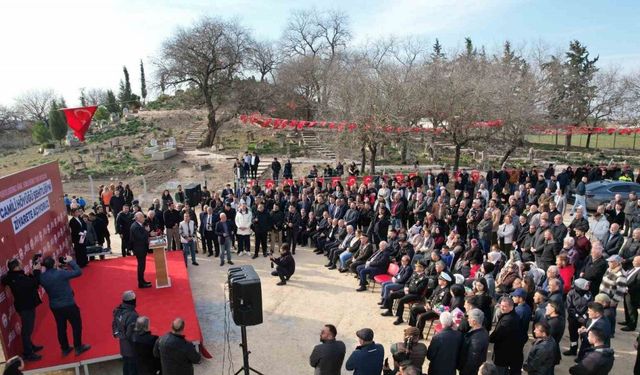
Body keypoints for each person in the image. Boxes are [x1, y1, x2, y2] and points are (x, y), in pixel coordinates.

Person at [38, 256, 91, 356]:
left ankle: (65, 348)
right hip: (69, 304)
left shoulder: (42, 277)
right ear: (54, 264)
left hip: (55, 306)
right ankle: (78, 347)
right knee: (76, 325)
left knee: (61, 327)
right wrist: (71, 261)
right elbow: (78, 272)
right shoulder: (61, 273)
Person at [1, 258, 43, 361]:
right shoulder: (18, 278)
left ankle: (30, 346)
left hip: (24, 305)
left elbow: (6, 279)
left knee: (28, 327)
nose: (22, 264)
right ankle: (28, 353)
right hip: (26, 307)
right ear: (16, 267)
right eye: (20, 264)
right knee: (27, 329)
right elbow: (35, 284)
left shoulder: (13, 276)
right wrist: (36, 271)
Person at [489, 297, 523, 375]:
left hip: (503, 354)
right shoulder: (512, 316)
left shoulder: (507, 320)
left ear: (511, 307)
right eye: (501, 305)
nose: (502, 308)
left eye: (505, 306)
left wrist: (490, 337)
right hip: (508, 352)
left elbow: (497, 335)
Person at [112, 291, 139, 375]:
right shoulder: (133, 315)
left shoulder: (117, 311)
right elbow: (131, 334)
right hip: (132, 348)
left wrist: (120, 335)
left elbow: (114, 327)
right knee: (133, 370)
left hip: (123, 347)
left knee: (126, 367)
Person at [458, 309, 489, 375]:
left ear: (474, 321)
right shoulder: (481, 330)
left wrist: (464, 372)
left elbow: (472, 361)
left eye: (469, 318)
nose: (468, 320)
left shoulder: (477, 339)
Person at [130, 212, 152, 288]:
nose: (144, 218)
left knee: (142, 266)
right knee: (141, 266)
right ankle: (141, 283)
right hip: (139, 249)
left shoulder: (139, 224)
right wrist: (147, 231)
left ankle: (142, 281)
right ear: (137, 218)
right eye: (142, 217)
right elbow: (141, 237)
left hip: (142, 248)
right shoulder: (135, 226)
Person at [621, 255, 640, 332]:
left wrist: (628, 289)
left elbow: (638, 285)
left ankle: (632, 325)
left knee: (631, 309)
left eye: (634, 261)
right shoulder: (633, 269)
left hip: (632, 294)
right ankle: (627, 321)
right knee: (626, 307)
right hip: (626, 292)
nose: (632, 262)